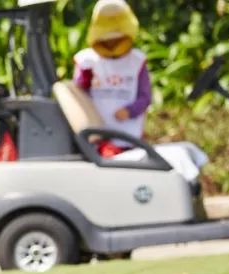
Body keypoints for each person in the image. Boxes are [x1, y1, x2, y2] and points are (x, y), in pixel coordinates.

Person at [73, 0, 206, 180]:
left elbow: (145, 96)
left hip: (130, 135)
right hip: (101, 139)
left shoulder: (136, 61)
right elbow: (78, 94)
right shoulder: (86, 60)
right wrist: (85, 74)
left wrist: (129, 110)